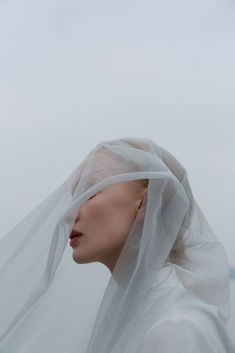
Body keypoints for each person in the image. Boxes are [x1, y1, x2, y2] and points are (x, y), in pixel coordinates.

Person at [0, 137, 234, 353]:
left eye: (89, 193)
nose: (69, 213)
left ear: (146, 204)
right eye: (75, 196)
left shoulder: (175, 328)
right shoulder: (135, 312)